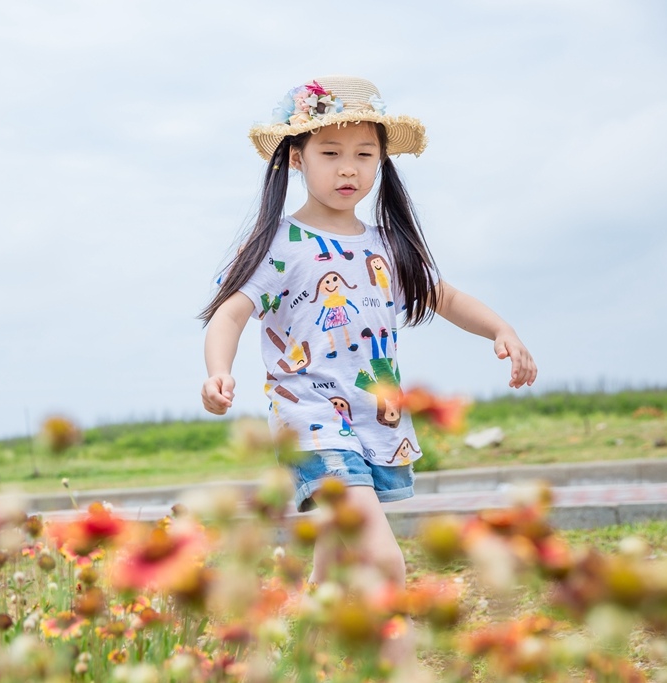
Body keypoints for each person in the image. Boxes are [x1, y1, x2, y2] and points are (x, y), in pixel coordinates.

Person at [198, 75, 537, 667]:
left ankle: (291, 663)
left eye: (365, 154)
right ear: (297, 160)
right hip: (310, 420)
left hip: (373, 418)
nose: (348, 169)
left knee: (331, 561)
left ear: (383, 161)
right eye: (330, 154)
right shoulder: (280, 243)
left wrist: (502, 330)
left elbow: (445, 297)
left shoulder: (387, 242)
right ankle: (406, 672)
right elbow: (229, 314)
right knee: (381, 559)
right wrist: (216, 370)